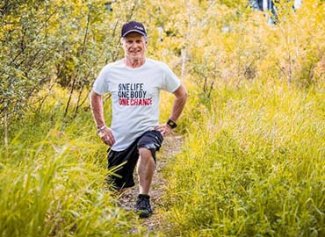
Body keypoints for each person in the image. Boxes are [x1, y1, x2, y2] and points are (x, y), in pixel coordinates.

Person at [90, 21, 187, 218]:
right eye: (129, 41)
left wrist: (170, 124)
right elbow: (95, 95)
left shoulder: (158, 69)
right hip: (120, 137)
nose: (134, 45)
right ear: (122, 44)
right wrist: (101, 127)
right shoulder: (110, 71)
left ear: (145, 43)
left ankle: (144, 197)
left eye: (138, 40)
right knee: (115, 187)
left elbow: (182, 94)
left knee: (146, 149)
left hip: (148, 129)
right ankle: (110, 215)